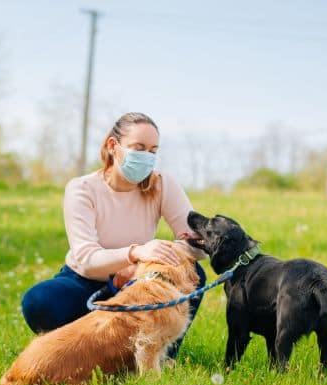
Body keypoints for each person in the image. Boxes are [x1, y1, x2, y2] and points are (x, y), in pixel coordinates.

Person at [21, 112, 207, 360]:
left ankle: (161, 354)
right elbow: (87, 259)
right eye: (138, 148)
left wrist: (144, 265)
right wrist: (135, 253)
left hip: (139, 280)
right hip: (85, 281)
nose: (147, 157)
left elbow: (198, 244)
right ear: (113, 146)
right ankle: (81, 350)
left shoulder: (162, 184)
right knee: (39, 301)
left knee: (193, 273)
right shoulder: (82, 189)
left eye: (153, 151)